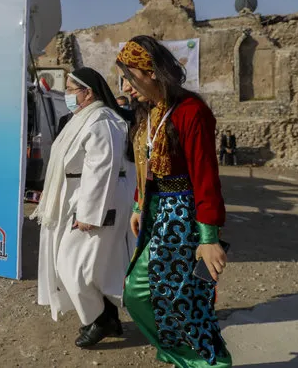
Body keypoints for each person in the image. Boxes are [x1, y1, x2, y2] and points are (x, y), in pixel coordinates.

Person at [115, 36, 233, 367]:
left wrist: (208, 239)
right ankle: (179, 354)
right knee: (143, 295)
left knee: (183, 297)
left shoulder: (191, 112)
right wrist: (139, 204)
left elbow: (206, 178)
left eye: (129, 75)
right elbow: (146, 165)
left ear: (150, 71)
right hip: (156, 213)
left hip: (183, 217)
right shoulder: (148, 113)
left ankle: (211, 363)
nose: (126, 85)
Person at [30, 67, 137, 348]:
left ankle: (100, 320)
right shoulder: (85, 118)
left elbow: (101, 168)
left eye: (69, 89)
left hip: (100, 204)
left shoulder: (101, 119)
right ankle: (108, 318)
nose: (65, 95)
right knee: (96, 266)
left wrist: (90, 214)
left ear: (87, 92)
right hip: (82, 199)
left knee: (71, 264)